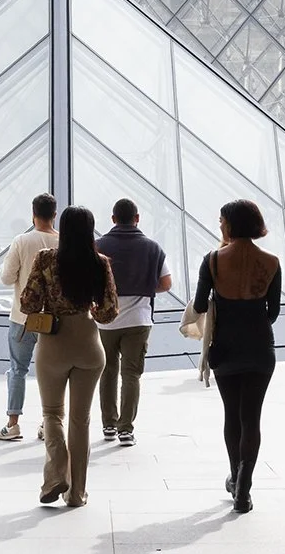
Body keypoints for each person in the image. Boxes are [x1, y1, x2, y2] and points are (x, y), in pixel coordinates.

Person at [20, 206, 118, 508]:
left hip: (53, 344)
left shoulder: (46, 259)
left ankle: (55, 475)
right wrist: (91, 310)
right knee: (80, 420)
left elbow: (28, 304)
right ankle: (76, 494)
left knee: (52, 414)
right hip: (88, 344)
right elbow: (109, 311)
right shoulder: (100, 263)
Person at [192, 199, 282, 512]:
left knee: (232, 415)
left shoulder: (213, 260)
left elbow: (200, 305)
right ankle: (244, 486)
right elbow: (273, 312)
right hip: (260, 346)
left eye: (221, 221)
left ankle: (235, 476)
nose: (220, 225)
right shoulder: (271, 262)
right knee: (251, 418)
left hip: (225, 347)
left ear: (230, 224)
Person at [96, 197, 171, 447]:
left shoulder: (98, 246)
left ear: (113, 219)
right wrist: (144, 287)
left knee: (107, 371)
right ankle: (125, 429)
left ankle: (108, 424)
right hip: (138, 320)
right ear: (137, 218)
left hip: (106, 321)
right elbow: (166, 283)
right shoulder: (152, 247)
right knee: (131, 374)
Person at [0, 191, 58, 442]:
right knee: (51, 373)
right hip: (53, 321)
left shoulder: (22, 241)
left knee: (17, 370)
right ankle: (47, 423)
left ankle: (13, 424)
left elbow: (7, 277)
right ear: (54, 215)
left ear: (33, 215)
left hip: (23, 318)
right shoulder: (63, 242)